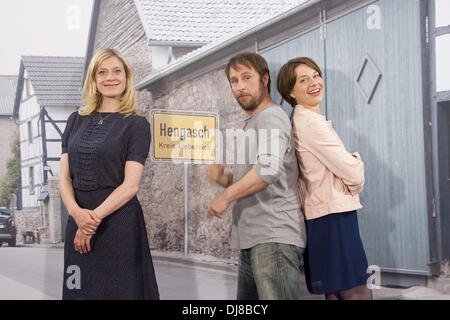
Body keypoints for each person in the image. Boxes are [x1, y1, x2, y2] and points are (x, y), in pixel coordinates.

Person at [59, 48, 159, 300]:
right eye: (102, 72)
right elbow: (64, 178)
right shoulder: (74, 121)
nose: (110, 78)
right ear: (93, 79)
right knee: (78, 290)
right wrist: (76, 214)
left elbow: (130, 186)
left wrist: (90, 223)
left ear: (126, 77)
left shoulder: (137, 125)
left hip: (118, 224)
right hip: (78, 219)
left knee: (119, 292)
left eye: (117, 71)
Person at [206, 52, 307, 300]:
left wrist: (225, 197)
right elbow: (258, 177)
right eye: (234, 81)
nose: (240, 87)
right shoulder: (254, 122)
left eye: (246, 77)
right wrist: (225, 179)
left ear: (264, 79)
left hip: (273, 237)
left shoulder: (271, 118)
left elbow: (268, 171)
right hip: (254, 241)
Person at [277, 57, 372, 300]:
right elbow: (353, 173)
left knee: (335, 290)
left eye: (315, 75)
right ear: (291, 91)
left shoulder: (302, 120)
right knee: (356, 290)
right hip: (334, 217)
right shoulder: (310, 124)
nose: (314, 82)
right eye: (303, 79)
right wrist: (356, 160)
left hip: (322, 217)